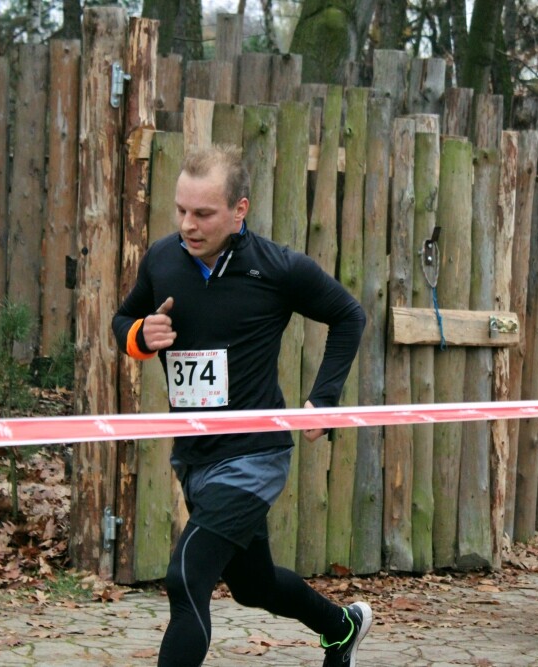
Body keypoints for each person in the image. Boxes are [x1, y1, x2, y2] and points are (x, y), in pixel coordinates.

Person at [112, 144, 370, 667]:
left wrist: (323, 399)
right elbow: (123, 321)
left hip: (254, 455)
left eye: (203, 213)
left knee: (187, 575)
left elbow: (349, 315)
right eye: (182, 210)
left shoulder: (276, 269)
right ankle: (342, 626)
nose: (188, 224)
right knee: (252, 585)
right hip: (196, 455)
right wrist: (141, 335)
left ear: (239, 210)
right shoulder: (163, 259)